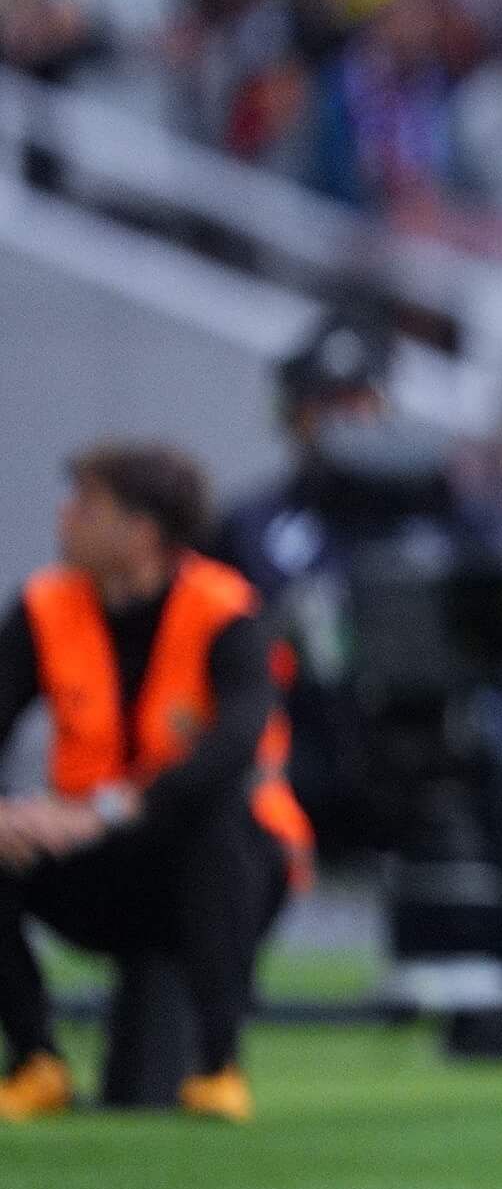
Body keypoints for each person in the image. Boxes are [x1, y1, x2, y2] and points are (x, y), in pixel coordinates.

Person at [0, 444, 312, 1125]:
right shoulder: (45, 608)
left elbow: (231, 749)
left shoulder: (227, 612)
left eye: (87, 505)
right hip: (97, 868)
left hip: (220, 871)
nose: (65, 516)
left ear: (142, 532)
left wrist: (106, 810)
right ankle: (34, 1060)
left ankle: (217, 1066)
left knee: (220, 821)